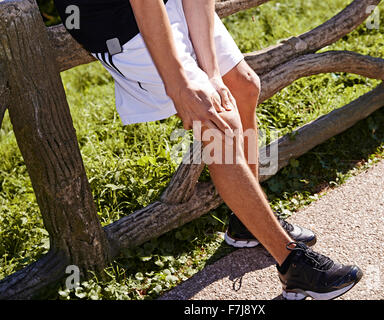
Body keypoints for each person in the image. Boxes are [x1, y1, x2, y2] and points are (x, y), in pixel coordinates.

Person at [54, 0, 363, 300]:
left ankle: (246, 225)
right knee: (217, 124)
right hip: (116, 19)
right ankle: (293, 264)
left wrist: (212, 75)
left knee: (242, 86)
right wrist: (179, 84)